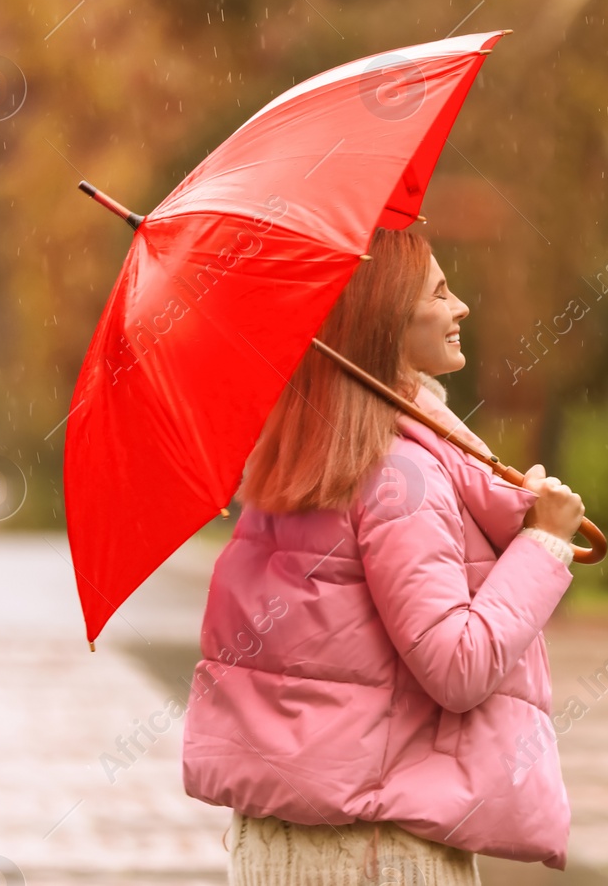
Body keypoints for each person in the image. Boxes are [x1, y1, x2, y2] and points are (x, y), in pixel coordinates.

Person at [181, 226, 586, 885]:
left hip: (280, 837)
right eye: (440, 292)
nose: (461, 309)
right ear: (386, 320)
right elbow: (457, 665)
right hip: (377, 848)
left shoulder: (303, 457)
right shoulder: (401, 476)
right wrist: (544, 544)